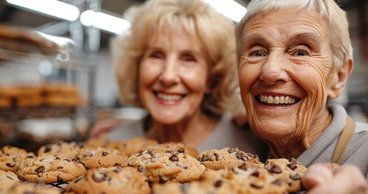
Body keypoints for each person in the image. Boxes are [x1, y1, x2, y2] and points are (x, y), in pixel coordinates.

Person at [235, 0, 368, 194]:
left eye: (301, 51)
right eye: (257, 51)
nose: (270, 71)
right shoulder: (236, 150)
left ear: (339, 77)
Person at [104, 0, 266, 155]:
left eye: (188, 59)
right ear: (137, 68)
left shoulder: (251, 143)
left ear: (212, 78)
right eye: (156, 56)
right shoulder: (110, 144)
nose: (168, 76)